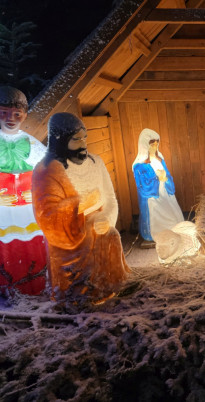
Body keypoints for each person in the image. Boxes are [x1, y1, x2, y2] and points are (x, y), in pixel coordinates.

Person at [32, 113, 130, 303]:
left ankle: (110, 287)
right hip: (68, 234)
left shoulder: (96, 162)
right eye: (76, 139)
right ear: (60, 139)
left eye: (85, 137)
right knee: (85, 256)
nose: (83, 143)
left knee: (111, 235)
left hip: (97, 222)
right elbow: (46, 215)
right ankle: (80, 296)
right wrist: (82, 204)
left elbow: (110, 197)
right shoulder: (46, 171)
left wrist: (106, 218)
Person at [0, 86, 47, 295]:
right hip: (4, 211)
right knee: (8, 247)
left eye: (17, 114)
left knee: (32, 244)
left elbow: (48, 171)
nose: (10, 118)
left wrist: (37, 191)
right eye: (4, 112)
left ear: (25, 115)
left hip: (28, 208)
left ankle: (36, 284)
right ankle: (8, 287)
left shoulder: (31, 143)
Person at [132, 128, 184, 242]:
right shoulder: (139, 166)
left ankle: (174, 231)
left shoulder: (160, 160)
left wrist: (165, 178)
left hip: (165, 194)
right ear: (145, 145)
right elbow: (142, 186)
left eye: (156, 144)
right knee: (157, 216)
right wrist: (157, 178)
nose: (155, 147)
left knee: (174, 217)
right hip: (153, 199)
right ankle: (157, 233)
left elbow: (168, 175)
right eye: (152, 144)